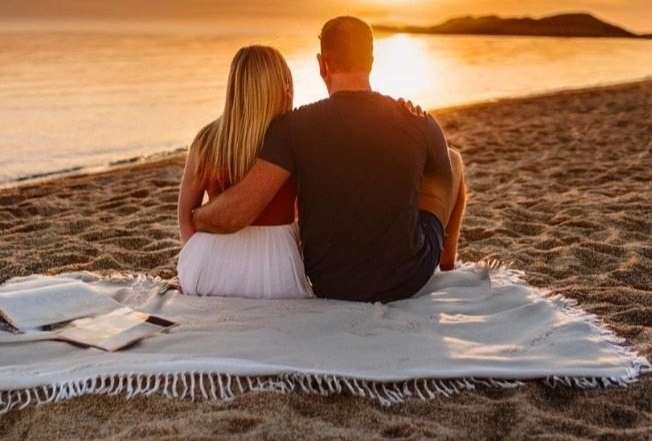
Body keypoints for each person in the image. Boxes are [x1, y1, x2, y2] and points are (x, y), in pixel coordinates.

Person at [191, 16, 467, 303]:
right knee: (452, 160)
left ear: (322, 64)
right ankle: (446, 262)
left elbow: (237, 214)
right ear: (371, 62)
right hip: (406, 279)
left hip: (331, 282)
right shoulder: (418, 123)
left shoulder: (292, 128)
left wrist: (196, 217)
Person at [176, 45, 314, 299]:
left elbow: (185, 214)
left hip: (212, 263)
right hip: (275, 267)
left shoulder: (207, 139)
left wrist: (193, 255)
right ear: (281, 87)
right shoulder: (289, 143)